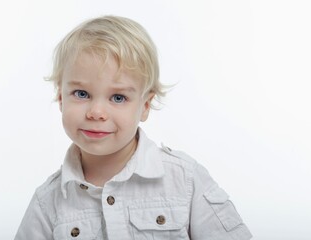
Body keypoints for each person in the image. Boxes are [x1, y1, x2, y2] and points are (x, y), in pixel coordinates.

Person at [15, 15, 252, 240]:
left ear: (145, 106)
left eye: (118, 98)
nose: (96, 112)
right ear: (60, 98)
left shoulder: (185, 179)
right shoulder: (47, 203)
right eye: (82, 93)